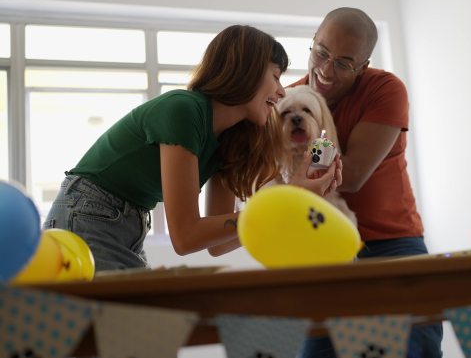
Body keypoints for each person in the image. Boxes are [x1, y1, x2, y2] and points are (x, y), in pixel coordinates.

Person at [42, 25, 340, 272]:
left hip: (122, 222)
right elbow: (185, 236)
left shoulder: (230, 140)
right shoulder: (183, 110)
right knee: (132, 333)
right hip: (88, 212)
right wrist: (287, 199)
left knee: (136, 334)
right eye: (275, 76)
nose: (281, 91)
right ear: (246, 70)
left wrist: (290, 208)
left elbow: (217, 244)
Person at [290, 8, 443, 357]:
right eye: (322, 53)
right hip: (319, 251)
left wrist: (313, 130)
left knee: (414, 349)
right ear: (312, 42)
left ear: (364, 65)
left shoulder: (385, 89)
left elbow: (352, 175)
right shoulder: (289, 100)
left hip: (391, 244)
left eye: (344, 63)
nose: (326, 70)